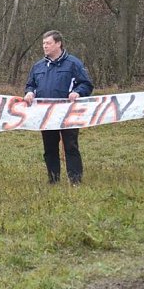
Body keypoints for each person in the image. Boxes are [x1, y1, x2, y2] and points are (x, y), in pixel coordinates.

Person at [24, 30, 94, 185]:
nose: (44, 46)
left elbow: (86, 84)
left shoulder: (73, 64)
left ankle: (75, 180)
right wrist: (29, 93)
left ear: (58, 44)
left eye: (48, 43)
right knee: (49, 148)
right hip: (45, 114)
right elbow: (31, 85)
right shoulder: (38, 66)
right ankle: (53, 179)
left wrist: (78, 92)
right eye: (43, 43)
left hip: (68, 113)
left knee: (70, 146)